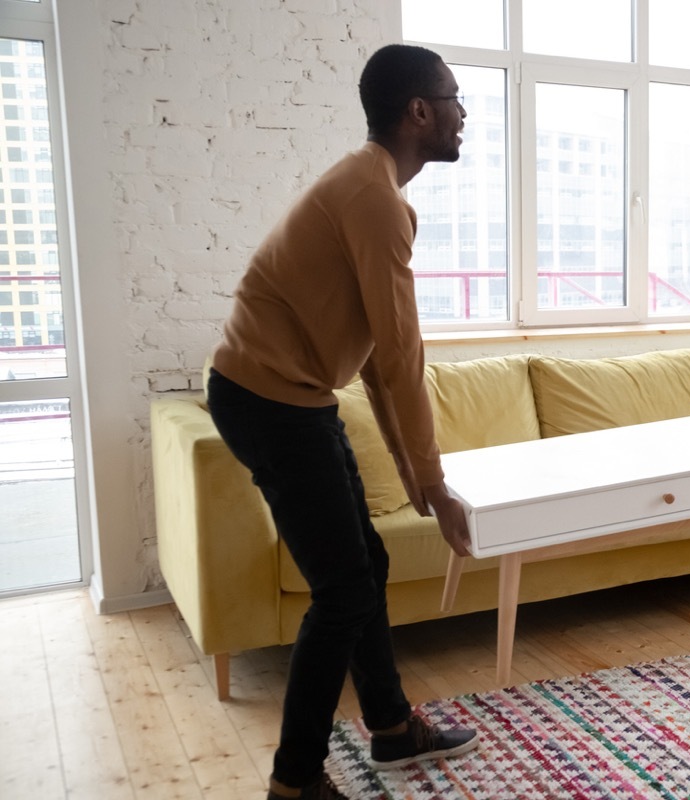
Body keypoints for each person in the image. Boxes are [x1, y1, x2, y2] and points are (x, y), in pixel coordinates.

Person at [206, 44, 479, 800]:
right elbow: (401, 356)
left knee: (365, 568)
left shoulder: (371, 188)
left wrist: (414, 473)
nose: (463, 115)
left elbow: (374, 359)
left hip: (291, 399)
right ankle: (294, 781)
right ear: (418, 111)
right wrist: (435, 484)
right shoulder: (374, 200)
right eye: (454, 99)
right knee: (343, 591)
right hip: (269, 401)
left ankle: (390, 727)